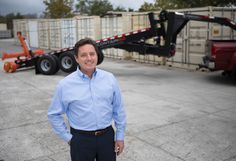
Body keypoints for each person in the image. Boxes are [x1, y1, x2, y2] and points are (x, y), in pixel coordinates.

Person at [48, 38, 126, 161]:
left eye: (92, 54)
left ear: (97, 55)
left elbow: (118, 109)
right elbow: (53, 114)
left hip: (107, 138)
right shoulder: (65, 85)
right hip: (80, 140)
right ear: (76, 58)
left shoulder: (109, 79)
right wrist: (69, 138)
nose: (89, 58)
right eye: (83, 55)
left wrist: (120, 136)